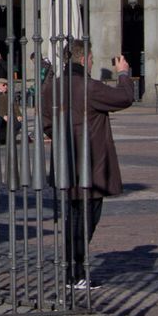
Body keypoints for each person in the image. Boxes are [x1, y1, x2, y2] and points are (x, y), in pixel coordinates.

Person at [41, 41, 134, 290]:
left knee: (72, 215)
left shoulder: (52, 86)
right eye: (91, 59)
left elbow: (45, 121)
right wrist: (123, 73)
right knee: (87, 217)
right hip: (90, 162)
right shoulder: (89, 87)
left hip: (65, 160)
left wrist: (62, 134)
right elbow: (125, 97)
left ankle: (72, 268)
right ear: (85, 59)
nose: (92, 63)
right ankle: (76, 270)